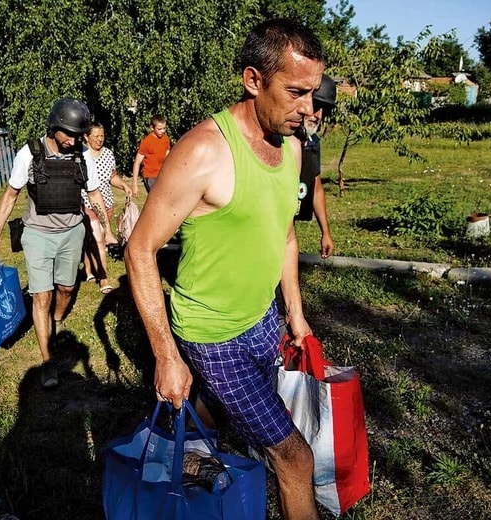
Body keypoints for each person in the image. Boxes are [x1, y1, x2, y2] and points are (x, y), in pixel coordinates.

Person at [125, 19, 324, 520]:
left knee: (211, 423)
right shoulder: (203, 151)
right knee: (293, 457)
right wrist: (166, 356)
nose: (308, 108)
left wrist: (294, 314)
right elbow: (140, 250)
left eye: (313, 92)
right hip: (213, 337)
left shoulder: (292, 148)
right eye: (296, 92)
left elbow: (284, 235)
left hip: (263, 321)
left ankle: (192, 489)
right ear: (253, 80)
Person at [0, 98, 110, 389]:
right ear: (54, 128)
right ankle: (48, 362)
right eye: (70, 134)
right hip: (38, 234)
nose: (75, 140)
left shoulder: (82, 156)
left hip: (72, 233)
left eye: (80, 135)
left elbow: (95, 195)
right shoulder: (30, 154)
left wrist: (106, 227)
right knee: (42, 295)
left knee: (66, 288)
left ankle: (57, 319)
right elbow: (11, 195)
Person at [82, 122, 131, 293]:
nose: (100, 139)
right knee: (99, 240)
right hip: (88, 205)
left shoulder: (108, 154)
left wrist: (123, 185)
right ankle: (103, 279)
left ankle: (88, 268)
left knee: (93, 240)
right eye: (96, 136)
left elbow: (113, 177)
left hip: (107, 204)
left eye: (102, 136)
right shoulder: (80, 156)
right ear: (85, 137)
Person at [295, 74, 336, 259]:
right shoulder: (281, 141)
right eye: (315, 106)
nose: (318, 115)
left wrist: (325, 232)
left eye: (324, 109)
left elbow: (316, 186)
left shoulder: (312, 143)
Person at [130, 114, 170, 196]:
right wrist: (134, 184)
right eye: (159, 129)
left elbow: (168, 155)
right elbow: (137, 162)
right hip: (150, 176)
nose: (163, 131)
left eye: (164, 128)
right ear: (152, 128)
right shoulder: (147, 142)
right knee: (157, 198)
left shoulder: (165, 139)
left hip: (162, 175)